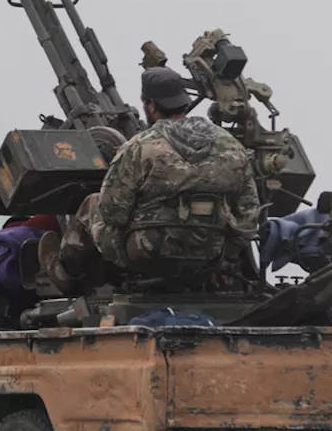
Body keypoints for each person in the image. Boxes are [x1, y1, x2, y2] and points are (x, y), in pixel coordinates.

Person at [39, 66, 260, 292]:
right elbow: (249, 214)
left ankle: (65, 274)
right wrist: (221, 251)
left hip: (146, 253)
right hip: (210, 253)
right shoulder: (232, 147)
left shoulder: (139, 147)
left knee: (91, 205)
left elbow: (112, 213)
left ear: (150, 105)